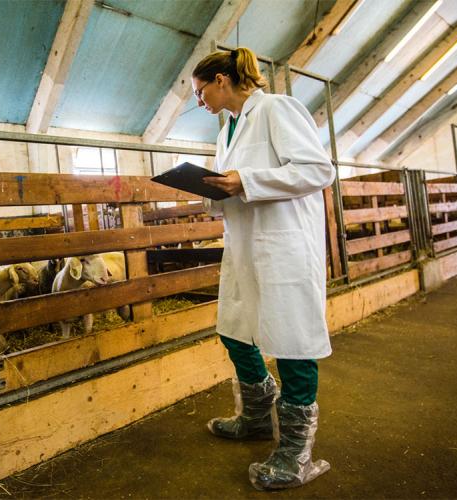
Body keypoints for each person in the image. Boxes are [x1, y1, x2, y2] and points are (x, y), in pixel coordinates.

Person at [191, 47, 335, 490]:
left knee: (292, 342)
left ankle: (295, 452)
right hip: (244, 246)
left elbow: (317, 170)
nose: (200, 101)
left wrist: (245, 181)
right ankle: (256, 415)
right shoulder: (225, 132)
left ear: (221, 79)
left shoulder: (277, 109)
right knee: (233, 328)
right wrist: (212, 190)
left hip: (284, 246)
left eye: (201, 91)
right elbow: (233, 185)